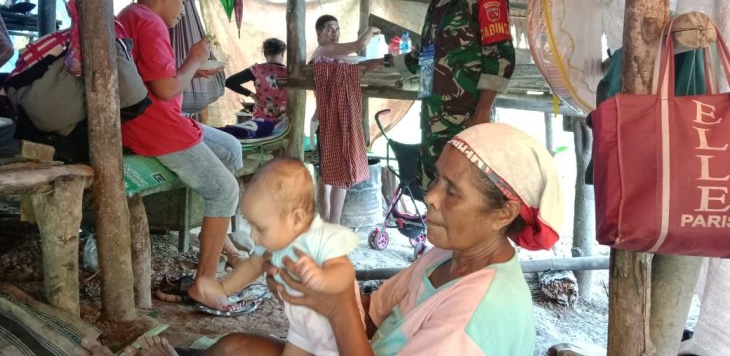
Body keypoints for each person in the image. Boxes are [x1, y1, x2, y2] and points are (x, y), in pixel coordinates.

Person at [78, 124, 563, 356]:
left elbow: (352, 316)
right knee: (231, 351)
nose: (430, 197)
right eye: (436, 179)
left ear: (504, 212)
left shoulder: (478, 317)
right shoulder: (447, 256)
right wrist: (316, 294)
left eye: (451, 191)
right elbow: (374, 312)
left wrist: (335, 308)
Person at [117, 0, 243, 310]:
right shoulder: (150, 23)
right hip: (153, 127)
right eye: (184, 2)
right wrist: (193, 60)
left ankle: (220, 241)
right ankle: (204, 282)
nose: (183, 11)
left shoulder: (130, 15)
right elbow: (165, 85)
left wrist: (189, 70)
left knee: (230, 149)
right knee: (224, 188)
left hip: (153, 118)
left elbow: (154, 78)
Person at [394, 0, 516, 189]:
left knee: (464, 192)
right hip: (431, 118)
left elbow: (500, 56)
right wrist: (387, 63)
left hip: (466, 118)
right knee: (435, 193)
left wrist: (483, 110)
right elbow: (428, 52)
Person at [214, 157, 360, 355]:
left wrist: (322, 278)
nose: (252, 236)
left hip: (334, 335)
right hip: (302, 329)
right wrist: (222, 289)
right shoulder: (276, 240)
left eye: (260, 228)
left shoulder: (320, 238)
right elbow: (252, 266)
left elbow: (345, 272)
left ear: (297, 219)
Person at [309, 14, 382, 224]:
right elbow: (360, 45)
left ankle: (331, 222)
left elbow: (359, 61)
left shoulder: (333, 57)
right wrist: (372, 29)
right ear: (319, 34)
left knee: (333, 176)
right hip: (329, 122)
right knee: (333, 176)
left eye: (338, 29)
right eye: (330, 29)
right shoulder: (324, 51)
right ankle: (330, 222)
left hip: (329, 121)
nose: (335, 33)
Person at [221, 38, 287, 139]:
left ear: (265, 53)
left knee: (250, 136)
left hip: (259, 122)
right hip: (283, 125)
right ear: (282, 53)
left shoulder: (257, 70)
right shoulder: (290, 73)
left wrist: (252, 95)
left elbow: (229, 82)